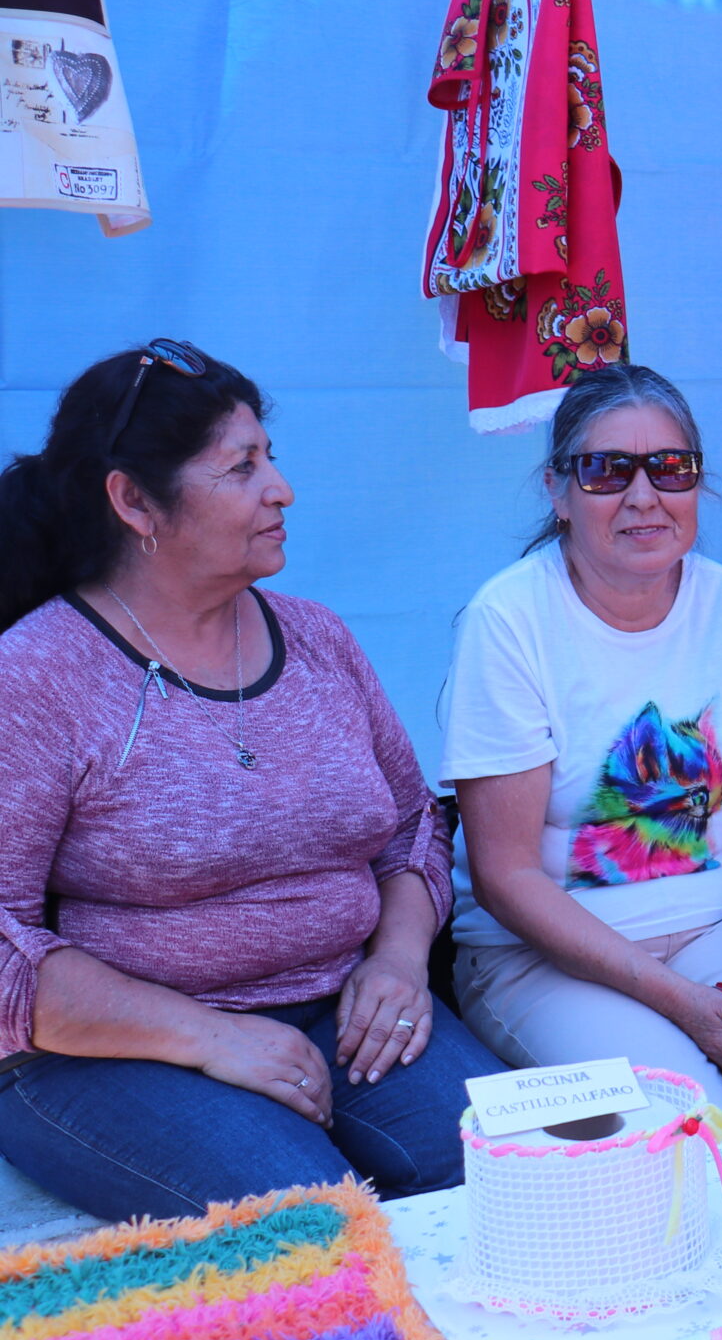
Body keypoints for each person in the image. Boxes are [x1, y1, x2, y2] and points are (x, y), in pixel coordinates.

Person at [0, 344, 502, 1222]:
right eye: (243, 467)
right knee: (320, 1228)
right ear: (133, 501)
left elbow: (412, 825)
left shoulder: (317, 639)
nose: (283, 488)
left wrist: (396, 958)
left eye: (271, 456)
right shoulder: (39, 672)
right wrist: (209, 1036)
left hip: (342, 1006)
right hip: (112, 1052)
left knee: (521, 1171)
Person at [443, 365, 722, 1122]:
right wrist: (684, 1002)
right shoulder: (508, 620)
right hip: (548, 960)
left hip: (720, 928)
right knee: (696, 1127)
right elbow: (505, 876)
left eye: (670, 468)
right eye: (605, 470)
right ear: (557, 491)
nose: (644, 497)